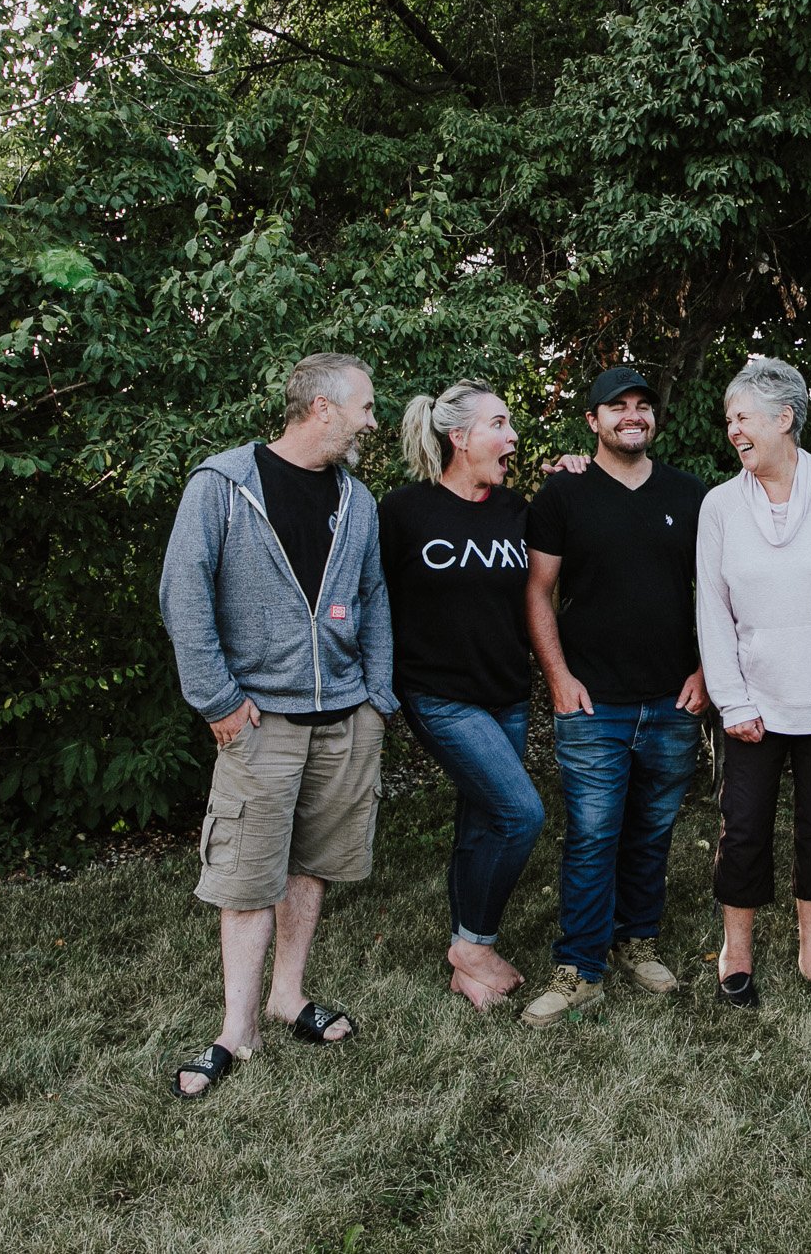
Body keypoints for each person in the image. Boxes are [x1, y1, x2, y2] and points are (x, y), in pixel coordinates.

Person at [157, 352, 396, 1099]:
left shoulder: (357, 500)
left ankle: (288, 996)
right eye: (364, 406)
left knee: (312, 863)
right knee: (247, 876)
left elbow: (375, 595)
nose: (372, 420)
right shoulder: (223, 485)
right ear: (322, 407)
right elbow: (182, 593)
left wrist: (377, 695)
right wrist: (219, 700)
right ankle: (237, 1028)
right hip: (260, 720)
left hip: (345, 717)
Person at [517, 366, 709, 1029]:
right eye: (617, 407)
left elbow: (717, 590)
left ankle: (637, 941)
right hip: (592, 702)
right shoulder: (562, 494)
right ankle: (579, 969)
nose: (633, 415)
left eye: (643, 406)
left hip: (671, 701)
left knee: (651, 833)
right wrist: (558, 676)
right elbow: (538, 591)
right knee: (594, 835)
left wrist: (708, 670)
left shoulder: (690, 495)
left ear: (655, 419)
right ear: (593, 421)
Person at [696, 356, 811, 1009]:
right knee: (742, 827)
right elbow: (712, 610)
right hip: (754, 702)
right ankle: (736, 952)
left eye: (743, 417)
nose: (734, 430)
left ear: (785, 418)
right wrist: (733, 698)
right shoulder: (719, 506)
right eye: (729, 420)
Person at [377, 380, 547, 1012]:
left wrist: (577, 473)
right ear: (459, 437)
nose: (512, 437)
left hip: (506, 692)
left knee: (482, 820)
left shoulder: (515, 510)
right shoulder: (402, 512)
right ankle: (473, 949)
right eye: (499, 424)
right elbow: (374, 602)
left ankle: (466, 956)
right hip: (441, 696)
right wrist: (379, 686)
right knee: (520, 812)